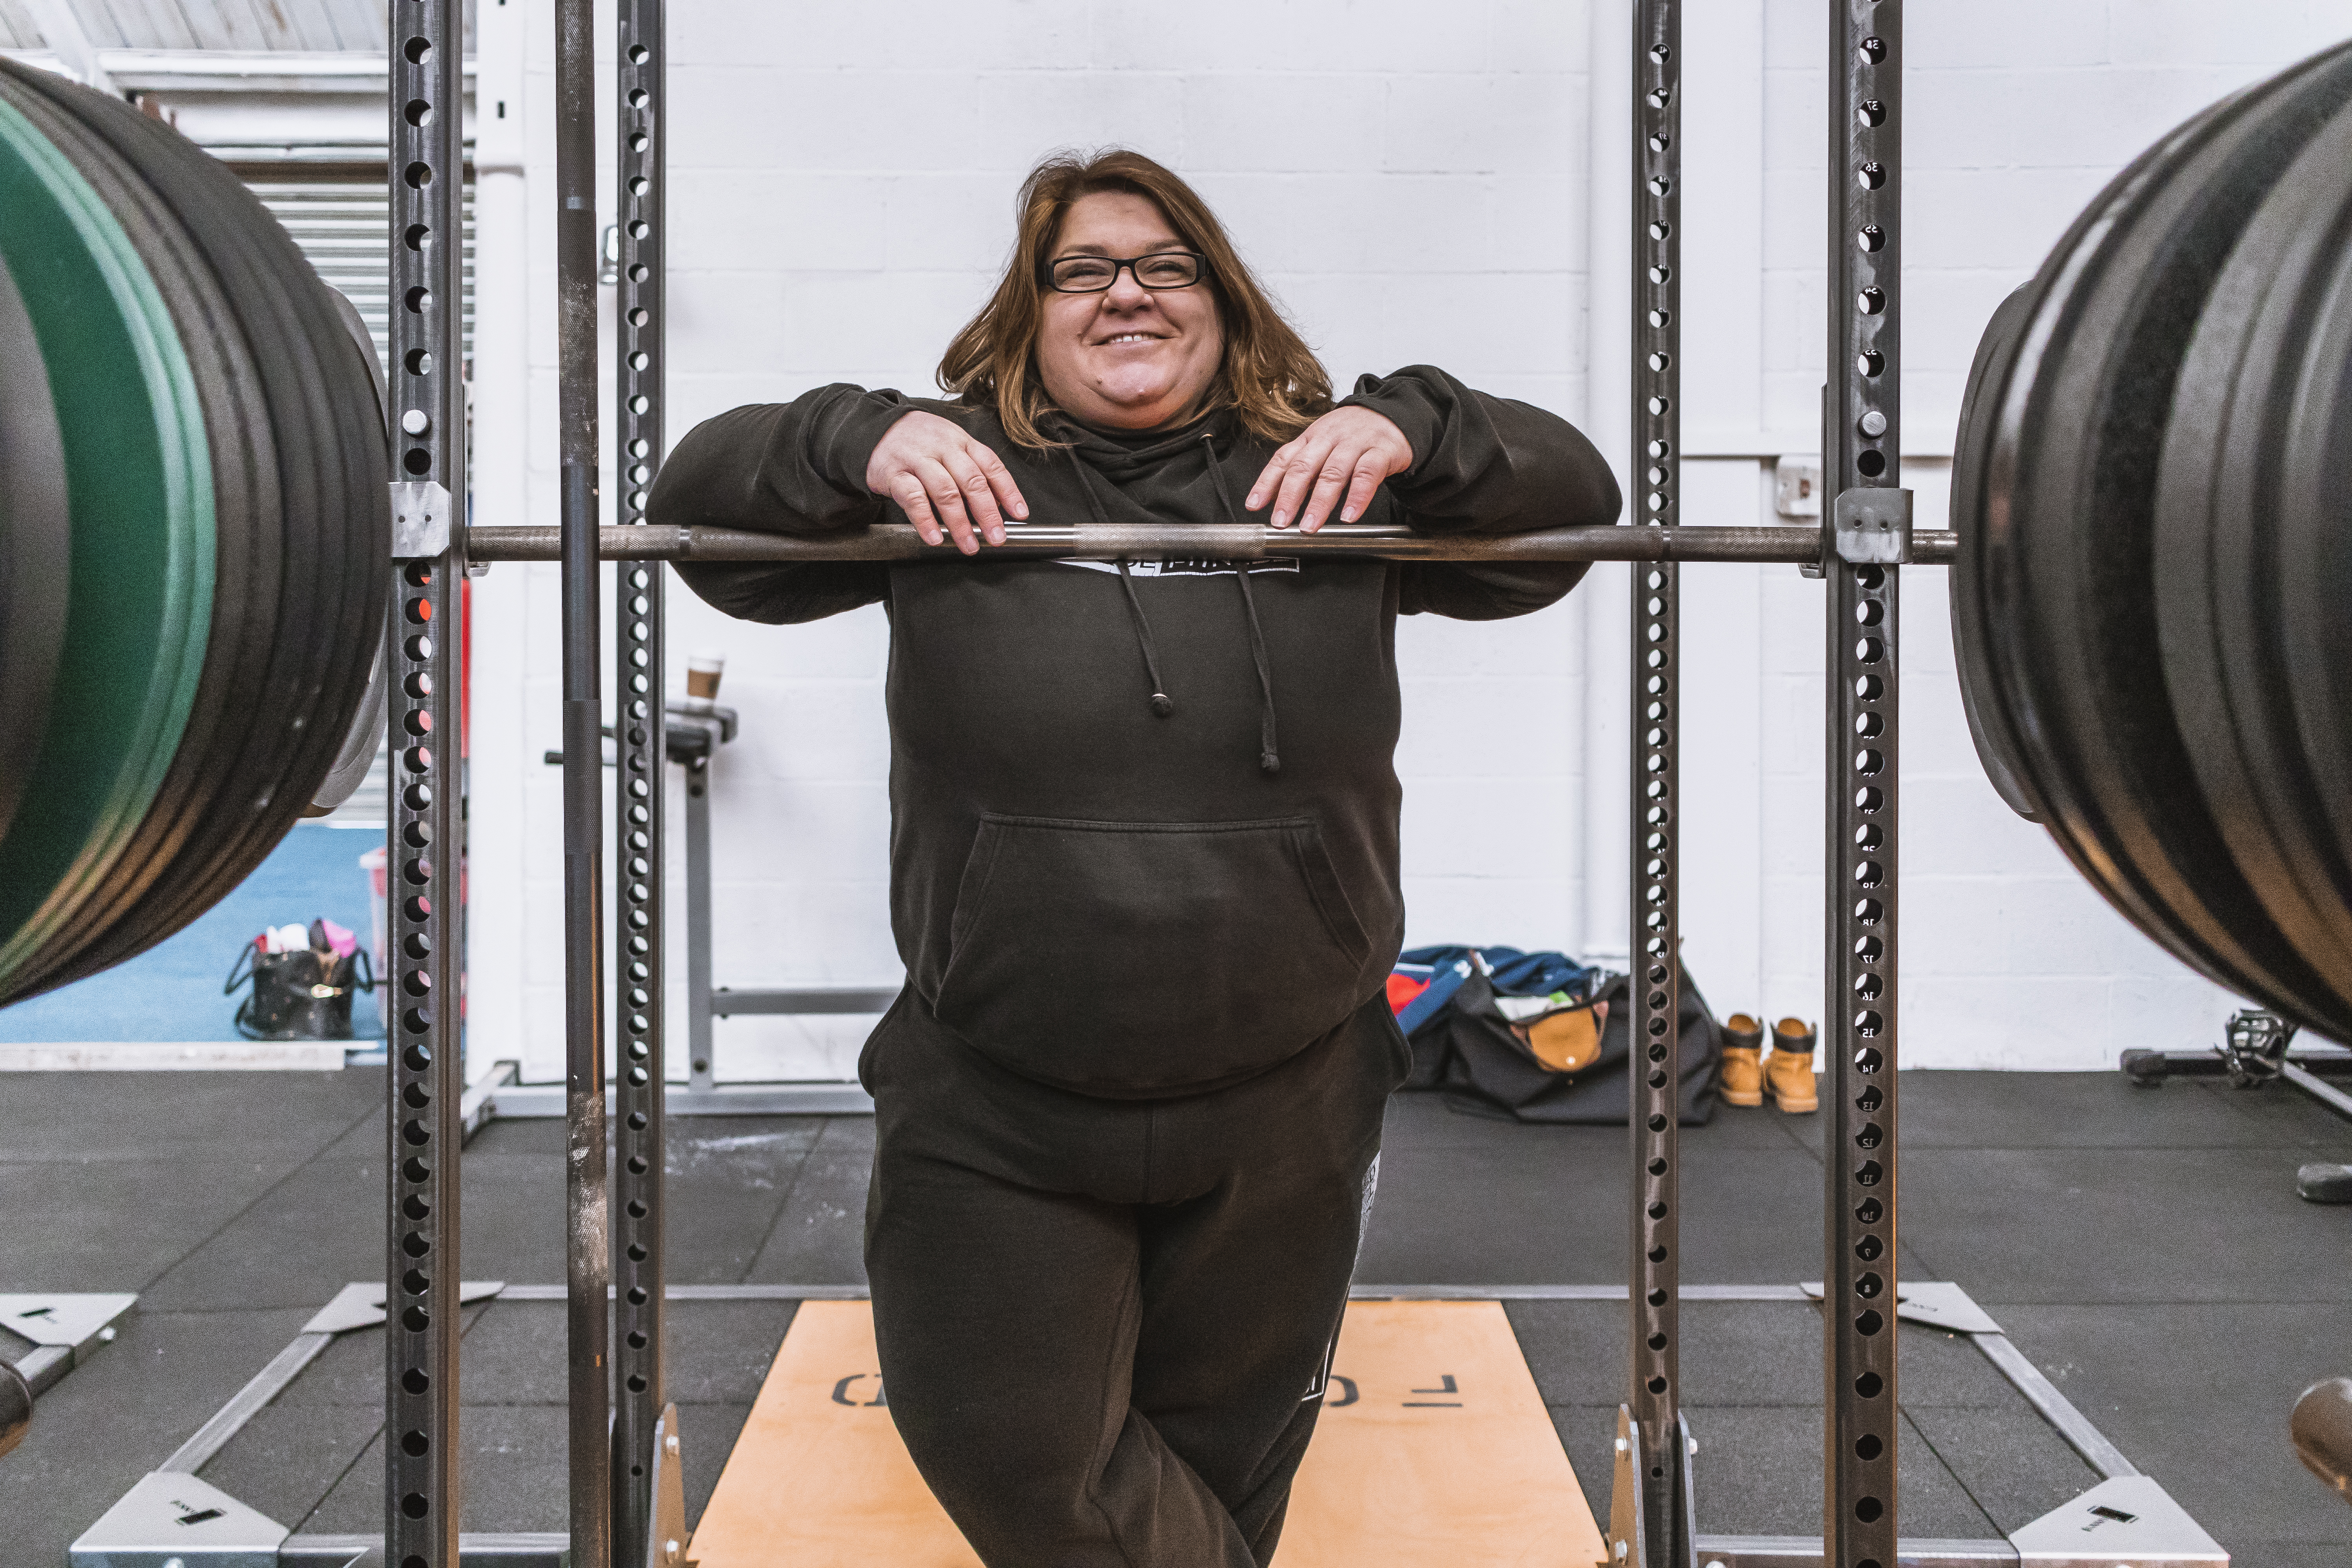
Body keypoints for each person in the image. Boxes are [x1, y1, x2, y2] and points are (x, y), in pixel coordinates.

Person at [647, 147, 1620, 1568]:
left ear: (1222, 302)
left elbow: (1572, 515)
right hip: (1001, 1091)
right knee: (1011, 1452)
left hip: (1282, 1093)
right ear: (1028, 311)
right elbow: (704, 527)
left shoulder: (1327, 483)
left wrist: (1418, 423)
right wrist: (847, 436)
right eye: (1082, 269)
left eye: (1165, 266)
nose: (1125, 293)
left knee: (1223, 1477)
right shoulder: (951, 477)